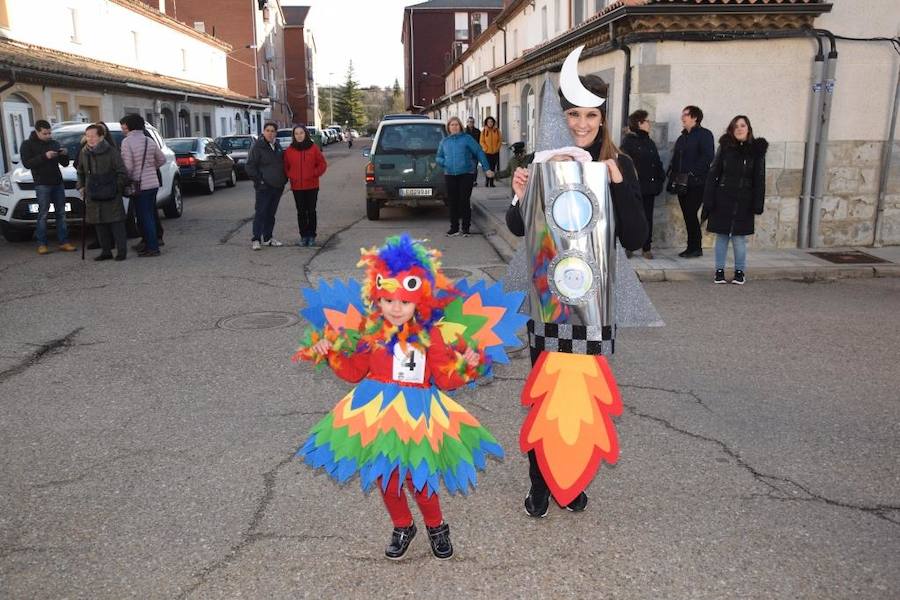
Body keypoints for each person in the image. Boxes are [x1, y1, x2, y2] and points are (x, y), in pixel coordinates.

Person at [296, 234, 504, 560]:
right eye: (388, 300)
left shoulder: (430, 335)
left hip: (417, 413)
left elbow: (446, 379)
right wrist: (330, 353)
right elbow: (353, 372)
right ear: (376, 297)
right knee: (387, 477)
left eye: (404, 302)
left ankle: (436, 526)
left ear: (418, 301)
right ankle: (402, 524)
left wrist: (469, 366)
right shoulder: (370, 331)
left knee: (419, 477)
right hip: (377, 412)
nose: (395, 308)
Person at [508, 68, 648, 518]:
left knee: (581, 399)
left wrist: (619, 185)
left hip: (591, 304)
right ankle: (539, 484)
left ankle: (573, 481)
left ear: (603, 119)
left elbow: (636, 234)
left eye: (592, 115)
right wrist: (518, 197)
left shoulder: (617, 164)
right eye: (573, 114)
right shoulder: (543, 160)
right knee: (544, 395)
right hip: (547, 304)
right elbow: (518, 229)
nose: (582, 124)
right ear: (561, 115)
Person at [703, 115, 768, 285]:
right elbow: (714, 173)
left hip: (744, 200)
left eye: (742, 125)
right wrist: (709, 199)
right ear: (731, 130)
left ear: (748, 129)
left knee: (739, 238)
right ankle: (719, 271)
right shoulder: (725, 148)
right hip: (723, 197)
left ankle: (740, 272)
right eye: (736, 126)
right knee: (722, 236)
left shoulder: (756, 151)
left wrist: (757, 203)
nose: (739, 129)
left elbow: (759, 178)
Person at [19, 120, 77, 254]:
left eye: (50, 133)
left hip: (57, 182)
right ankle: (42, 243)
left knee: (61, 214)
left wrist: (64, 154)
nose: (48, 136)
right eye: (45, 133)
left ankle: (64, 242)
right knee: (43, 214)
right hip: (42, 183)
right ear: (37, 131)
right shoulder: (27, 144)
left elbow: (64, 163)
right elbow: (27, 163)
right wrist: (45, 156)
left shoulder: (54, 143)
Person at [666, 105, 714, 258]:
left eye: (685, 114)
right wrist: (672, 173)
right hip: (682, 183)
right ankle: (691, 247)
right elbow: (676, 159)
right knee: (687, 215)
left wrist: (692, 173)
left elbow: (708, 156)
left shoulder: (704, 134)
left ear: (694, 117)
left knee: (691, 213)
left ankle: (696, 248)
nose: (682, 117)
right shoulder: (682, 138)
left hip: (697, 183)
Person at [76, 123, 129, 261]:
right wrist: (81, 186)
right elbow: (80, 171)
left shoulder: (112, 152)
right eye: (88, 136)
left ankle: (121, 251)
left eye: (93, 136)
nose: (90, 139)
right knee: (98, 222)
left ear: (101, 136)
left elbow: (122, 172)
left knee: (116, 222)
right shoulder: (84, 152)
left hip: (111, 192)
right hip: (93, 193)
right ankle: (106, 251)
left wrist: (116, 187)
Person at [436, 116, 494, 237]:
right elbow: (438, 157)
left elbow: (479, 152)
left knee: (464, 201)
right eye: (452, 125)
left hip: (466, 174)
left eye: (456, 125)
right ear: (448, 127)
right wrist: (445, 163)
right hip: (450, 174)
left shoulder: (467, 139)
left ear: (460, 126)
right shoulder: (444, 142)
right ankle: (454, 228)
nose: (454, 127)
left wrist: (486, 168)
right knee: (453, 202)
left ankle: (466, 228)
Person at [621, 109, 666, 259]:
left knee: (648, 218)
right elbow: (624, 165)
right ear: (639, 123)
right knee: (632, 217)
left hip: (649, 188)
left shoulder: (650, 142)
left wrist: (660, 179)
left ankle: (646, 247)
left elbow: (657, 163)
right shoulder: (628, 141)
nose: (649, 124)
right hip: (635, 188)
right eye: (647, 121)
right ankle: (629, 246)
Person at [120, 114, 166, 257]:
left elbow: (128, 166)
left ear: (129, 126)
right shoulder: (149, 140)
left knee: (144, 217)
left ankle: (152, 248)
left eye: (124, 126)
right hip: (152, 183)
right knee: (151, 214)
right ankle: (151, 243)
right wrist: (150, 168)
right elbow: (162, 159)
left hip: (139, 185)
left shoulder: (127, 142)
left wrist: (126, 178)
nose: (123, 129)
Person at [245, 122, 288, 250]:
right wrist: (260, 181)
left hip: (277, 186)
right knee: (261, 213)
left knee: (271, 214)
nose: (270, 133)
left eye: (272, 131)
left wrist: (284, 179)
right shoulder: (258, 147)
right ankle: (256, 239)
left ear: (275, 133)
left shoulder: (277, 146)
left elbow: (282, 164)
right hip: (264, 187)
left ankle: (268, 238)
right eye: (267, 130)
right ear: (263, 132)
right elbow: (250, 167)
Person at [283, 125, 327, 247]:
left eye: (301, 133)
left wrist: (314, 174)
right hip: (297, 187)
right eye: (296, 133)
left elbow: (322, 164)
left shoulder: (313, 148)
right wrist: (291, 175)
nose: (299, 135)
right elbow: (286, 166)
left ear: (305, 134)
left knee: (311, 211)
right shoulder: (289, 151)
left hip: (312, 185)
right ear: (294, 136)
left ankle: (312, 235)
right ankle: (303, 236)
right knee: (301, 212)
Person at [479, 116, 501, 187]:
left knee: (493, 167)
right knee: (487, 167)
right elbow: (481, 141)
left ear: (493, 122)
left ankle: (491, 182)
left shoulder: (497, 131)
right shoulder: (484, 131)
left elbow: (499, 141)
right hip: (487, 153)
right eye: (488, 122)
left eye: (491, 122)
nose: (490, 123)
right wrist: (485, 148)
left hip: (495, 153)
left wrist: (497, 148)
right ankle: (487, 181)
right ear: (486, 123)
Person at [464, 117, 481, 186]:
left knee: (474, 167)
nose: (470, 123)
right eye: (469, 122)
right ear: (467, 122)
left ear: (474, 123)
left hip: (475, 152)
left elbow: (480, 141)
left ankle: (474, 181)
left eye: (472, 122)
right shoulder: (464, 131)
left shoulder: (477, 131)